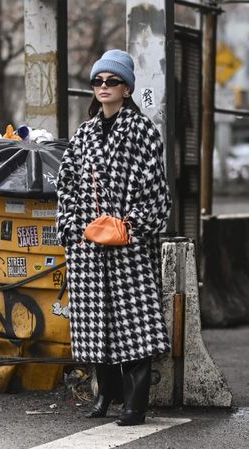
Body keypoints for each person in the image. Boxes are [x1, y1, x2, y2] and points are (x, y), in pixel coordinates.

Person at [57, 49, 172, 426]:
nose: (103, 87)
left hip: (128, 245)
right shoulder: (85, 133)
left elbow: (155, 190)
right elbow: (67, 183)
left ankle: (136, 404)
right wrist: (74, 229)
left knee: (134, 322)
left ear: (127, 88)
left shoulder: (141, 131)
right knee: (95, 323)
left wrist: (132, 227)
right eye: (98, 81)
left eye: (112, 81)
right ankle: (106, 393)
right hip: (89, 244)